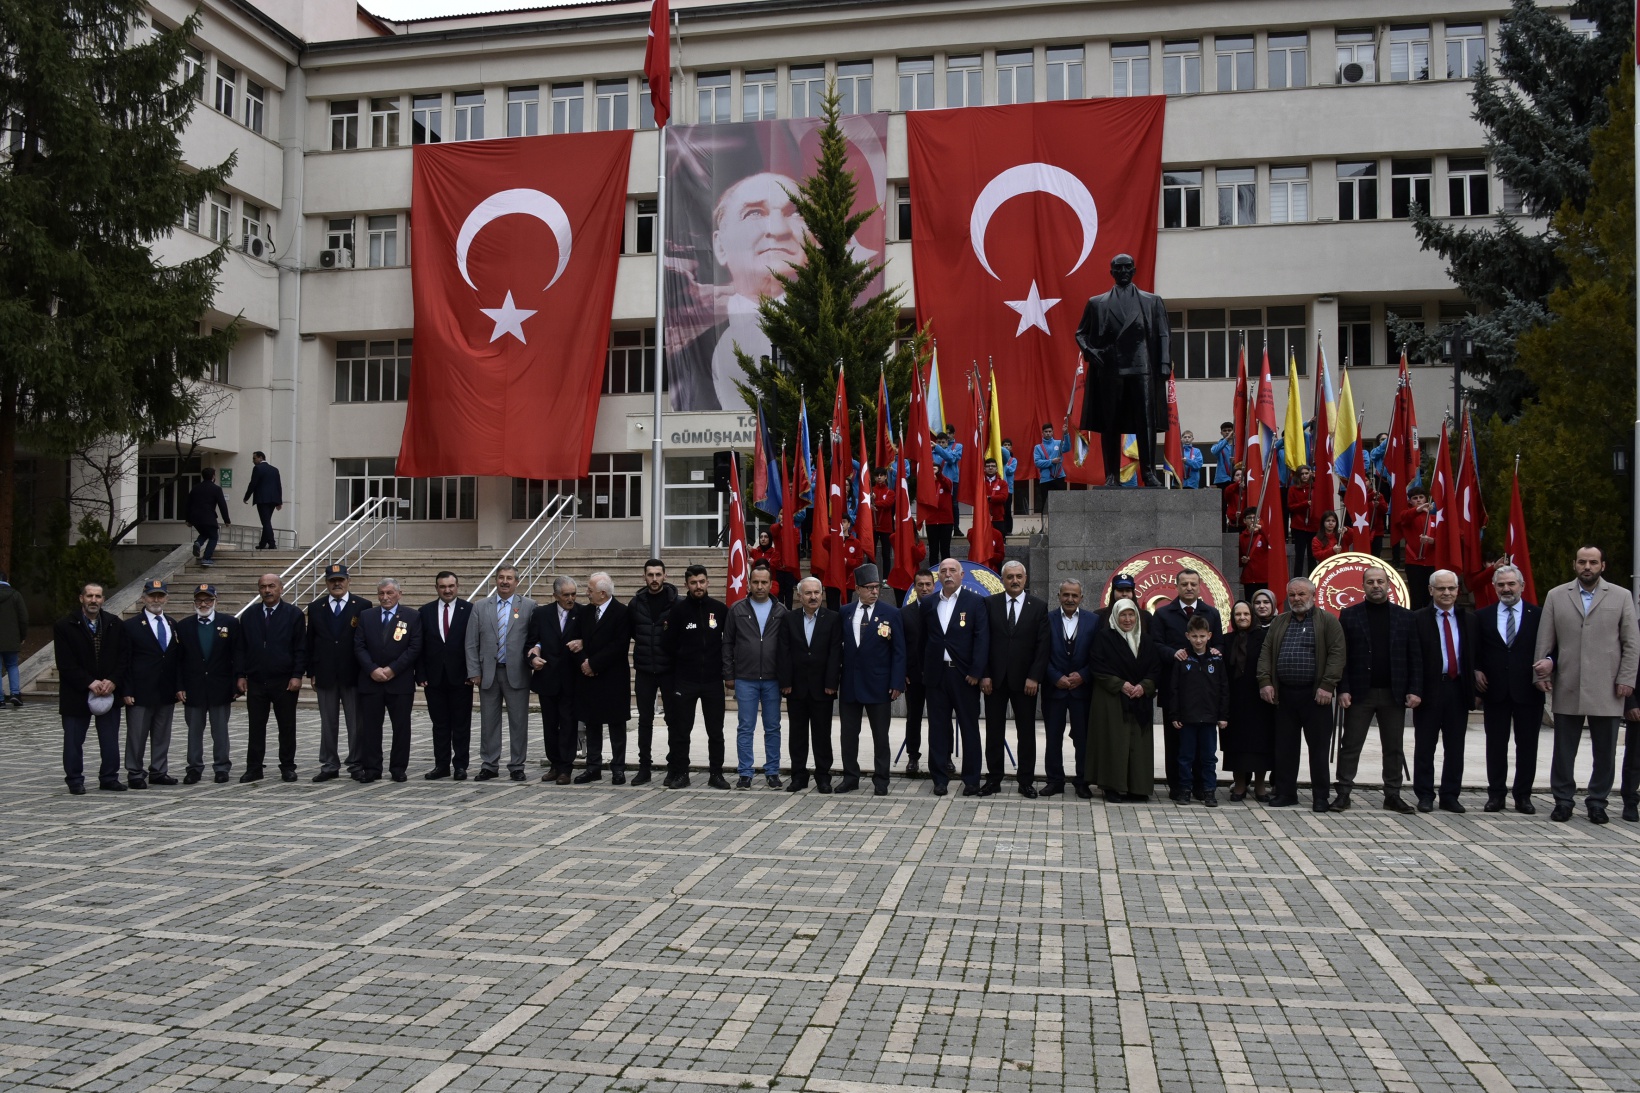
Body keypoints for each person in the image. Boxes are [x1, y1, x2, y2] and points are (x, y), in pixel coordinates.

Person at [1533, 545, 1640, 824]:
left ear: (1603, 565)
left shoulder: (1621, 596)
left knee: (1605, 751)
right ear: (1574, 565)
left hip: (1608, 687)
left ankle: (1597, 802)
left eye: (1593, 562)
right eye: (1582, 562)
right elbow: (1545, 640)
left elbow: (1631, 643)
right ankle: (1563, 801)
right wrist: (1541, 675)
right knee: (1563, 749)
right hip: (1568, 683)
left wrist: (1627, 678)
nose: (1587, 567)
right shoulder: (1556, 595)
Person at [1076, 253, 1171, 487]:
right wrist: (1091, 351)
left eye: (1127, 267)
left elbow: (1163, 334)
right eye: (1118, 269)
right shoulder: (1097, 303)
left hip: (1142, 366)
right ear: (1111, 273)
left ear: (1134, 270)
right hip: (1111, 368)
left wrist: (1164, 363)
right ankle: (1112, 475)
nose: (1123, 272)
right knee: (1110, 422)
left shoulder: (1152, 301)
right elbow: (1081, 334)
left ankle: (1148, 473)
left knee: (1146, 422)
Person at [1336, 566, 1422, 814]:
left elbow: (1415, 657)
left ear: (1388, 585)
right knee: (1350, 744)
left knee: (1393, 747)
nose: (1376, 585)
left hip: (1393, 693)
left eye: (1380, 581)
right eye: (1371, 582)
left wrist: (1415, 689)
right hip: (1359, 694)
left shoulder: (1406, 617)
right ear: (1363, 586)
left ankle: (1392, 795)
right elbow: (1342, 656)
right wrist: (1343, 688)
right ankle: (1343, 793)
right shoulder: (1349, 615)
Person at [1257, 577, 1344, 811]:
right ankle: (1286, 793)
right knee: (1285, 748)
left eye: (1301, 594)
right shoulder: (1279, 621)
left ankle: (1320, 797)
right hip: (1284, 696)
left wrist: (1327, 685)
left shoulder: (1328, 621)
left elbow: (1337, 654)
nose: (1296, 599)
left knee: (1318, 750)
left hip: (1316, 696)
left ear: (1313, 596)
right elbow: (1266, 652)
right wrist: (1265, 681)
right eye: (1292, 595)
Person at [1473, 564, 1543, 814]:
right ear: (1494, 587)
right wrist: (1476, 670)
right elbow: (1475, 650)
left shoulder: (1539, 615)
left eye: (1511, 584)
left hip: (1529, 690)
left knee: (1527, 746)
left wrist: (1549, 663)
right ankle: (1496, 795)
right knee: (1495, 745)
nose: (1506, 589)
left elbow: (1551, 647)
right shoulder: (1482, 616)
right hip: (1495, 690)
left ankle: (1523, 796)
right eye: (1501, 584)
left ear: (1521, 586)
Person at [920, 557, 990, 796]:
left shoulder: (976, 602)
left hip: (964, 676)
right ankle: (939, 779)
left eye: (952, 570)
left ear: (962, 575)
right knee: (938, 729)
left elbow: (982, 638)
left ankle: (971, 780)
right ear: (938, 576)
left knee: (969, 728)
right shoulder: (928, 603)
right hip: (936, 676)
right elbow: (923, 639)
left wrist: (976, 671)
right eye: (943, 571)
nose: (948, 574)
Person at [1153, 568, 1224, 801]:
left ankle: (1202, 786)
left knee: (1203, 746)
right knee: (1176, 743)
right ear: (1177, 586)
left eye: (1193, 583)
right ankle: (1178, 786)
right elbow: (1155, 644)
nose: (1189, 588)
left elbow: (1219, 644)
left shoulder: (1211, 613)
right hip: (1175, 690)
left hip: (1204, 693)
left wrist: (1216, 651)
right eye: (1184, 584)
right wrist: (1173, 653)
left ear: (1200, 586)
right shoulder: (1163, 614)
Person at [1409, 569, 1476, 813]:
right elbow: (1413, 658)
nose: (1446, 593)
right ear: (1431, 590)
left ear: (1458, 591)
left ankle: (1450, 795)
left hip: (1457, 689)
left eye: (1451, 588)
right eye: (1441, 588)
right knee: (1425, 746)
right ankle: (1425, 794)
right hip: (1429, 690)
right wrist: (1414, 689)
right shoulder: (1417, 619)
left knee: (1455, 747)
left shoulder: (1469, 620)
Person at [837, 563, 906, 795]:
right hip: (850, 684)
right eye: (869, 587)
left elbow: (899, 651)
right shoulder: (845, 612)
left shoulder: (891, 613)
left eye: (877, 587)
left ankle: (881, 780)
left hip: (879, 685)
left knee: (880, 736)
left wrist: (897, 683)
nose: (875, 591)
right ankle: (850, 777)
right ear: (857, 588)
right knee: (848, 736)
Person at [980, 560, 1048, 797]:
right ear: (1002, 580)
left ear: (1025, 579)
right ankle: (993, 779)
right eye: (1010, 577)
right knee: (994, 733)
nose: (1015, 581)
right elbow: (983, 641)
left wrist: (1034, 677)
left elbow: (1043, 646)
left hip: (1025, 683)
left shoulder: (1038, 607)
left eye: (1019, 576)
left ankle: (1026, 781)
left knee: (1026, 733)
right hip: (994, 682)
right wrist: (985, 674)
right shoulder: (989, 604)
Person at [465, 566, 537, 782]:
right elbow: (471, 642)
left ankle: (517, 766)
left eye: (509, 578)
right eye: (501, 578)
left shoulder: (529, 606)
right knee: (489, 722)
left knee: (519, 722)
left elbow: (535, 638)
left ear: (517, 582)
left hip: (517, 673)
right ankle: (489, 765)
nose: (505, 581)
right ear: (495, 580)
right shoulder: (480, 607)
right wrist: (474, 671)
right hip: (488, 674)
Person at [56, 581, 129, 793]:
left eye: (98, 596)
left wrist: (113, 680)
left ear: (103, 599)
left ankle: (109, 778)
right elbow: (65, 663)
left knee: (110, 739)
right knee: (73, 741)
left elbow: (124, 657)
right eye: (89, 596)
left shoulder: (115, 624)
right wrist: (89, 682)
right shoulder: (64, 626)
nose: (93, 600)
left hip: (108, 691)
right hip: (76, 693)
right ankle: (75, 780)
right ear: (81, 598)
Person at [1086, 598, 1160, 801]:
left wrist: (1144, 686)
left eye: (1131, 615)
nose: (1127, 620)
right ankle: (1111, 787)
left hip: (1139, 700)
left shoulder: (1145, 640)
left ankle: (1138, 788)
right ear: (1115, 617)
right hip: (1112, 699)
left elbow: (1155, 668)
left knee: (1138, 745)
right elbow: (1097, 666)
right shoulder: (1104, 638)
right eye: (1123, 615)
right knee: (1114, 742)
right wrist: (1121, 685)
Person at [663, 564, 729, 788]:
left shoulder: (720, 609)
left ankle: (716, 774)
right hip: (685, 680)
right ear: (686, 585)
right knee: (682, 730)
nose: (698, 586)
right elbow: (668, 644)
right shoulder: (678, 611)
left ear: (708, 582)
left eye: (701, 581)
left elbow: (729, 642)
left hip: (713, 681)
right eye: (693, 583)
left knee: (716, 731)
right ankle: (682, 773)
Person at [238, 573, 307, 783]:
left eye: (271, 586)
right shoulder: (249, 615)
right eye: (263, 587)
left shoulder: (293, 614)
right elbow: (241, 648)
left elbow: (300, 648)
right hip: (257, 680)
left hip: (284, 681)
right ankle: (254, 768)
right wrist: (241, 674)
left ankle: (287, 767)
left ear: (281, 588)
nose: (267, 590)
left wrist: (297, 675)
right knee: (256, 726)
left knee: (286, 726)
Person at [725, 560, 788, 789]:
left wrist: (786, 677)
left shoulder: (781, 611)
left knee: (773, 727)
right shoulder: (737, 609)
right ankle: (745, 773)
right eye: (755, 582)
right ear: (748, 584)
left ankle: (772, 772)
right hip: (745, 678)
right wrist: (729, 673)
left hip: (773, 679)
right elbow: (727, 643)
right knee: (745, 727)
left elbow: (787, 647)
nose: (759, 586)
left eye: (764, 582)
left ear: (771, 584)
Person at [306, 563, 370, 782]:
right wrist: (311, 671)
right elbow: (311, 642)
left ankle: (356, 763)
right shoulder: (316, 607)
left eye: (340, 580)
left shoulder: (362, 605)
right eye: (332, 581)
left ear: (348, 581)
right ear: (326, 583)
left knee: (356, 723)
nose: (337, 584)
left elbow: (366, 641)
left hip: (353, 674)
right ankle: (329, 764)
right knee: (328, 722)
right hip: (325, 674)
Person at [354, 578, 422, 783]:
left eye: (389, 593)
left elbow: (414, 647)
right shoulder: (366, 616)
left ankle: (398, 768)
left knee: (401, 727)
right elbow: (359, 645)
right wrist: (372, 669)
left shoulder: (412, 616)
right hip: (371, 681)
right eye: (381, 593)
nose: (385, 597)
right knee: (370, 728)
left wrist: (393, 669)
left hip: (399, 682)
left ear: (399, 594)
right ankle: (372, 768)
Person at [779, 576, 841, 792]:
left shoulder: (833, 618)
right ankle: (799, 776)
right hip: (795, 687)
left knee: (822, 734)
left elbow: (835, 652)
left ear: (822, 594)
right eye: (808, 593)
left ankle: (823, 776)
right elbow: (784, 651)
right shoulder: (789, 618)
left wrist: (832, 682)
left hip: (823, 687)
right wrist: (785, 681)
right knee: (797, 734)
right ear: (799, 596)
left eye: (816, 592)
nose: (813, 597)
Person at [176, 583, 240, 785]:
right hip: (193, 687)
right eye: (199, 600)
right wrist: (179, 686)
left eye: (208, 600)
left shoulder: (230, 623)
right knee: (194, 731)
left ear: (215, 601)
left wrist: (236, 684)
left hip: (220, 687)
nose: (203, 604)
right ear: (194, 602)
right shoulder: (184, 626)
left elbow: (237, 655)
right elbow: (178, 660)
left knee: (220, 731)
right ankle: (194, 768)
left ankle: (221, 767)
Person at [120, 579, 180, 789]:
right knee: (137, 735)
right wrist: (126, 689)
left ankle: (159, 771)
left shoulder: (172, 624)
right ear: (143, 598)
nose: (156, 600)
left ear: (166, 598)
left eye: (160, 596)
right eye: (152, 596)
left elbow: (176, 659)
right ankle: (135, 772)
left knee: (162, 734)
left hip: (165, 689)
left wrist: (178, 686)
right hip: (140, 691)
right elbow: (125, 661)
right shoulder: (131, 626)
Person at [573, 572, 631, 784]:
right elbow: (576, 640)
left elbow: (619, 645)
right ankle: (593, 767)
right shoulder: (585, 612)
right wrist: (584, 663)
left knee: (616, 725)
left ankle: (618, 768)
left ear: (603, 593)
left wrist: (594, 664)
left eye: (590, 590)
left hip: (613, 677)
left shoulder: (622, 612)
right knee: (592, 723)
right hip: (589, 677)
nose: (586, 593)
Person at [1042, 578, 1097, 798]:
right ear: (1059, 596)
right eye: (1066, 594)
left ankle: (1082, 781)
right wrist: (1055, 677)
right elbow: (1039, 652)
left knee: (1082, 739)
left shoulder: (1093, 621)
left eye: (1074, 595)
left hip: (1081, 691)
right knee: (1053, 737)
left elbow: (1098, 655)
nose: (1070, 599)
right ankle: (1054, 780)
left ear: (1081, 597)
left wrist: (1083, 675)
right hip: (1054, 689)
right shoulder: (1047, 619)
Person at [418, 571, 474, 781]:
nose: (447, 590)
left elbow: (474, 644)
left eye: (451, 586)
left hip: (461, 678)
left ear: (457, 587)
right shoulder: (425, 611)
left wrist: (472, 672)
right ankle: (441, 765)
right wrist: (421, 674)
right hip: (434, 679)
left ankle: (460, 766)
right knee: (439, 725)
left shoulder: (469, 610)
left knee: (461, 725)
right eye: (443, 587)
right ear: (436, 588)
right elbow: (419, 645)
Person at [526, 576, 581, 784]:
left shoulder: (582, 612)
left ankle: (566, 768)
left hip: (571, 679)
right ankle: (554, 765)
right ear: (555, 595)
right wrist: (533, 659)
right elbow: (531, 642)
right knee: (549, 725)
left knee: (568, 725)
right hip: (547, 678)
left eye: (573, 594)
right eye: (566, 595)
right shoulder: (541, 614)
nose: (570, 598)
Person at [1170, 616, 1229, 806]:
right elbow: (1174, 689)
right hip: (1188, 718)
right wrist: (1175, 714)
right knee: (1185, 757)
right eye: (1194, 636)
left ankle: (1209, 790)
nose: (1198, 640)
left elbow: (1224, 689)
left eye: (1202, 636)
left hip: (1210, 718)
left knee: (1209, 758)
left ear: (1209, 635)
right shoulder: (1182, 659)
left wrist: (1223, 715)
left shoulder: (1216, 660)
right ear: (1187, 636)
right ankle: (1185, 790)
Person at [628, 559, 677, 784]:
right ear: (644, 577)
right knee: (644, 720)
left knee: (673, 720)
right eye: (650, 575)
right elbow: (630, 632)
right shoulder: (635, 603)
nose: (654, 579)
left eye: (658, 574)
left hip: (669, 670)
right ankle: (644, 768)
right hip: (645, 670)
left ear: (665, 575)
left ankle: (673, 767)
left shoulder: (676, 603)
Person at [1221, 601, 1274, 801]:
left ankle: (1260, 786)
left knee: (1260, 743)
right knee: (1236, 744)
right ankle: (1240, 785)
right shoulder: (1226, 640)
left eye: (1246, 614)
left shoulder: (1264, 637)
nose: (1242, 617)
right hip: (1234, 700)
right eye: (1238, 614)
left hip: (1259, 700)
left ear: (1252, 616)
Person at [900, 569, 936, 777]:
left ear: (934, 586)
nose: (924, 588)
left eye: (928, 584)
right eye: (920, 584)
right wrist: (902, 672)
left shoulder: (942, 609)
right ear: (914, 587)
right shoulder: (904, 613)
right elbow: (900, 647)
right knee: (913, 718)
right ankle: (913, 757)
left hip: (938, 676)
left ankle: (944, 757)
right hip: (913, 676)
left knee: (940, 719)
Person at [1398, 486, 1437, 609]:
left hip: (1431, 562)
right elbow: (1405, 517)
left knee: (1431, 596)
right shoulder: (1407, 515)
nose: (1419, 500)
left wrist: (1432, 540)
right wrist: (1419, 509)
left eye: (1421, 497)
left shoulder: (1434, 518)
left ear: (1426, 499)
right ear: (1410, 501)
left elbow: (1443, 539)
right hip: (1413, 562)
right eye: (1415, 498)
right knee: (1416, 596)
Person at [185, 467, 230, 567]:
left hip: (195, 518)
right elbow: (222, 505)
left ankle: (198, 543)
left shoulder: (195, 488)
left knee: (205, 533)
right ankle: (206, 558)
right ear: (213, 476)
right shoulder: (216, 489)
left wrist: (188, 519)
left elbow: (188, 504)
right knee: (213, 537)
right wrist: (226, 520)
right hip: (208, 517)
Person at [242, 451, 283, 549]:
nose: (253, 461)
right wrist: (279, 501)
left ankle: (272, 543)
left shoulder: (257, 468)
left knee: (265, 522)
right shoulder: (274, 469)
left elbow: (253, 484)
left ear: (261, 458)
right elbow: (279, 486)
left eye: (254, 458)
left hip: (262, 499)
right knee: (267, 521)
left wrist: (246, 497)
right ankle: (263, 543)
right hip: (273, 499)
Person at [0, 569, 28, 707]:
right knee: (12, 666)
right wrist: (22, 636)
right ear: (7, 580)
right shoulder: (15, 595)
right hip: (12, 639)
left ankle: (0, 699)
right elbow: (23, 618)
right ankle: (15, 694)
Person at [1287, 465, 1318, 576]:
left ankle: (1312, 578)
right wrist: (1305, 504)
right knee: (1299, 555)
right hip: (1299, 526)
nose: (1304, 476)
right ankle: (1297, 579)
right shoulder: (1293, 489)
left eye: (1306, 473)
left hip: (1313, 526)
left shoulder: (1315, 488)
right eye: (1302, 474)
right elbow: (1291, 507)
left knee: (1312, 555)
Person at [1034, 423, 1066, 513]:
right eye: (1046, 431)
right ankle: (1045, 521)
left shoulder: (1058, 443)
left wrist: (1066, 433)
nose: (1048, 433)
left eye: (1049, 431)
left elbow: (1067, 447)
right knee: (1045, 504)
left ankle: (1061, 520)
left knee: (1061, 502)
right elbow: (1037, 463)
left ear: (1052, 432)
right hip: (1045, 479)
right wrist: (1051, 461)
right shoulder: (1038, 447)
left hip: (1059, 477)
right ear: (1042, 433)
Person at [1238, 509, 1267, 602]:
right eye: (1249, 518)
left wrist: (1261, 529)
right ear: (1244, 521)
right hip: (1249, 578)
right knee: (1250, 603)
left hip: (1264, 578)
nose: (1252, 520)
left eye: (1255, 518)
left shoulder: (1264, 535)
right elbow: (1238, 558)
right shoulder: (1241, 538)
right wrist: (1242, 560)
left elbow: (1273, 545)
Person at [871, 468, 895, 573]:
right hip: (873, 526)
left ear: (885, 477)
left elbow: (888, 503)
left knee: (886, 554)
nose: (879, 477)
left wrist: (875, 503)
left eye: (881, 475)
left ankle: (886, 578)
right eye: (877, 476)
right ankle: (871, 577)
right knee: (871, 553)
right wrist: (870, 501)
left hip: (886, 527)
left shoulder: (890, 492)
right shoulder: (871, 491)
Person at [1209, 421, 1236, 490]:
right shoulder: (1218, 445)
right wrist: (1227, 438)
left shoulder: (1238, 445)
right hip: (1222, 479)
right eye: (1224, 431)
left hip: (1236, 477)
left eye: (1229, 430)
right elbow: (1214, 451)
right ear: (1221, 433)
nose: (1227, 432)